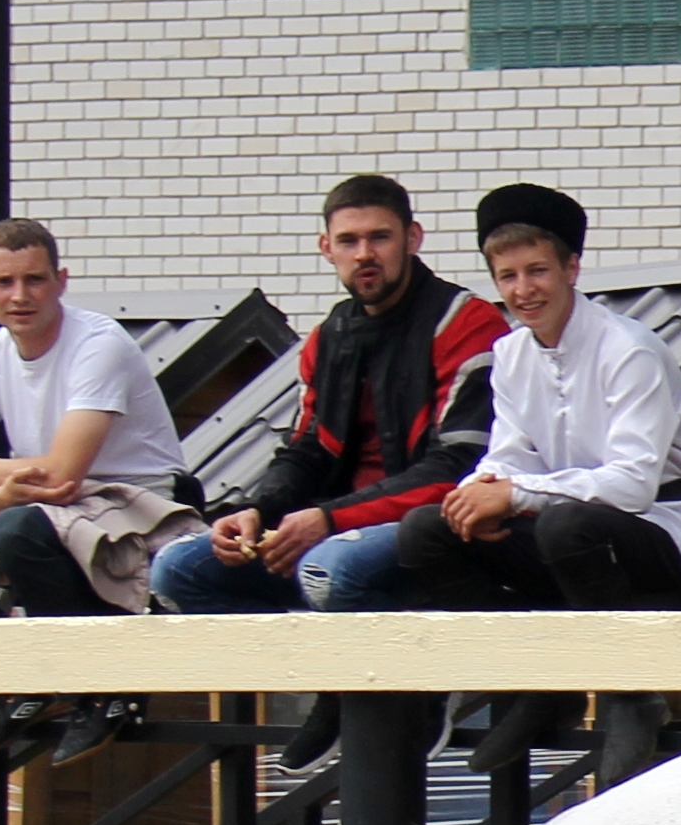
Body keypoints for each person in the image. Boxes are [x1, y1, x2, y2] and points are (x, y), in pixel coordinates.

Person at [390, 184, 681, 789]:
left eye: (538, 270)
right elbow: (508, 454)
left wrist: (516, 495)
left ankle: (631, 695)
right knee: (426, 531)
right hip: (563, 539)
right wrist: (480, 493)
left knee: (566, 524)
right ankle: (537, 682)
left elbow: (632, 486)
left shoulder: (630, 351)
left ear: (572, 268)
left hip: (657, 536)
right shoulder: (511, 354)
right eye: (508, 276)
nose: (523, 290)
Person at [0, 217, 199, 763]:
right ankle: (20, 683)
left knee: (19, 528)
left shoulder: (99, 343)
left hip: (132, 503)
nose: (20, 296)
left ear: (61, 281)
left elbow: (59, 478)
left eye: (34, 280)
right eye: (4, 282)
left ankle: (99, 688)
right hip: (41, 504)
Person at [149, 174, 507, 618]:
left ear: (412, 239)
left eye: (380, 237)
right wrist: (256, 511)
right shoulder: (327, 337)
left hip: (425, 527)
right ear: (327, 248)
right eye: (348, 241)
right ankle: (290, 662)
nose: (364, 254)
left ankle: (403, 665)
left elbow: (457, 467)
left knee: (327, 571)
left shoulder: (467, 322)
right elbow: (305, 451)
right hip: (332, 526)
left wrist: (329, 519)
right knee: (177, 569)